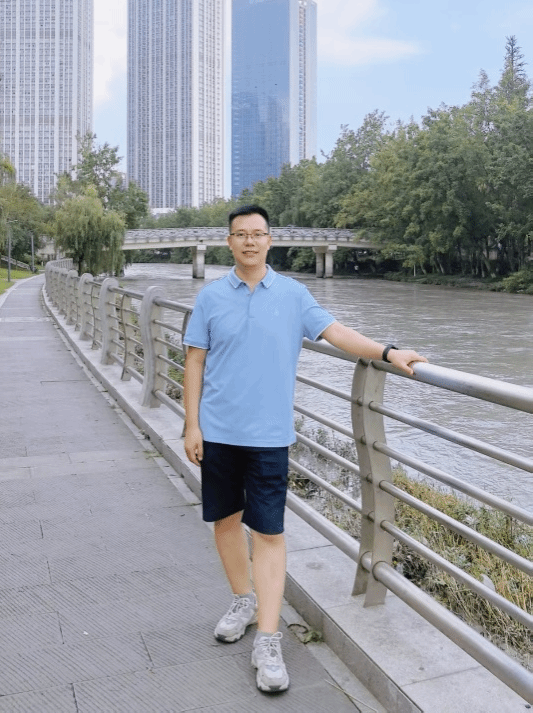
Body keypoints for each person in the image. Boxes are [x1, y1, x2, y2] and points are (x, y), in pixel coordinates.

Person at [183, 204, 427, 693]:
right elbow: (194, 362)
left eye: (257, 234)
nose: (249, 241)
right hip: (219, 432)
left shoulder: (294, 295)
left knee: (269, 533)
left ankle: (268, 639)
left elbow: (337, 334)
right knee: (225, 522)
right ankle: (243, 600)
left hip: (270, 437)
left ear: (270, 241)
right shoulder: (210, 297)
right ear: (228, 242)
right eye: (240, 234)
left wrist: (387, 352)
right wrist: (192, 425)